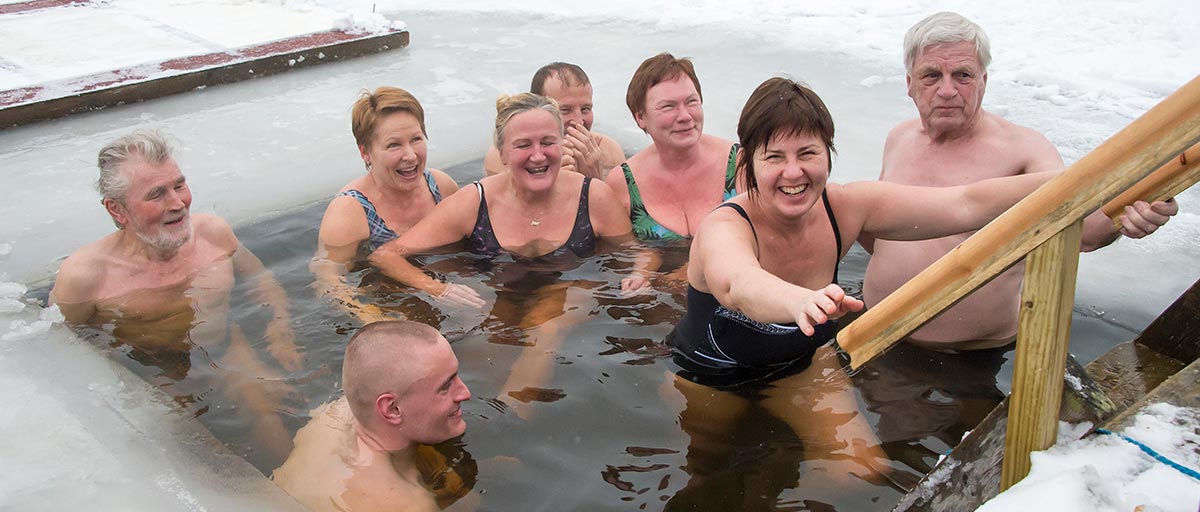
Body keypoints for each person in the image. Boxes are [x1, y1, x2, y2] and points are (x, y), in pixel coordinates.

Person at [664, 76, 1061, 504]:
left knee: (859, 473)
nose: (793, 172)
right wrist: (799, 300)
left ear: (829, 156)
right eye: (774, 156)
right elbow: (736, 282)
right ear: (748, 162)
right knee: (715, 480)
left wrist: (1076, 179)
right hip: (707, 377)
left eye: (808, 153)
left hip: (801, 365)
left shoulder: (847, 207)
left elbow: (966, 203)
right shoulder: (725, 225)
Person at [861, 11, 1179, 351]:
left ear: (983, 80)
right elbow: (881, 229)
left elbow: (1082, 229)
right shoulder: (900, 138)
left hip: (969, 358)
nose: (947, 90)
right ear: (910, 84)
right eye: (932, 76)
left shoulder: (1023, 151)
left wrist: (1130, 212)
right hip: (873, 336)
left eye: (963, 75)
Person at [370, 92, 647, 418]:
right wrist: (438, 288)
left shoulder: (593, 195)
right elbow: (387, 255)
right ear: (501, 153)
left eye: (548, 142)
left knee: (546, 324)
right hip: (502, 290)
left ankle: (507, 422)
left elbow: (637, 252)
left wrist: (640, 272)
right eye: (523, 145)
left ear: (561, 144)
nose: (538, 155)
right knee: (485, 351)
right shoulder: (475, 201)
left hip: (575, 283)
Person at [49, 130, 302, 462]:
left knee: (270, 412)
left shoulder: (213, 234)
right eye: (156, 194)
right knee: (188, 446)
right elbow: (62, 346)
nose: (178, 203)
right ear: (117, 209)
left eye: (179, 185)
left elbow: (261, 280)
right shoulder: (86, 277)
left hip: (224, 345)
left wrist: (279, 332)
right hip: (153, 367)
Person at [273, 320, 473, 512]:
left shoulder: (334, 415)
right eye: (446, 386)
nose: (465, 392)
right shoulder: (406, 505)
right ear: (392, 409)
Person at [312, 87, 461, 322]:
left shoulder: (442, 187)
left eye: (416, 139)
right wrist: (377, 321)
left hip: (449, 292)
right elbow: (329, 281)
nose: (410, 155)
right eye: (394, 145)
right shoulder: (350, 211)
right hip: (387, 302)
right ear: (366, 153)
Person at [603, 53, 741, 242]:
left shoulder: (740, 163)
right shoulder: (623, 182)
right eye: (668, 106)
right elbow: (623, 255)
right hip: (660, 272)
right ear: (640, 117)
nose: (684, 116)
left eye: (691, 101)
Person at [483, 62, 625, 179]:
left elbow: (621, 210)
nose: (578, 121)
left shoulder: (609, 151)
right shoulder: (504, 155)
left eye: (585, 109)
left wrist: (592, 179)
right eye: (565, 110)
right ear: (538, 108)